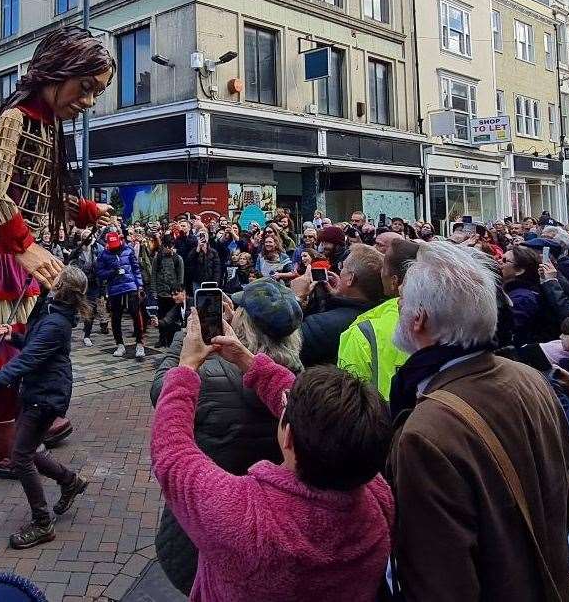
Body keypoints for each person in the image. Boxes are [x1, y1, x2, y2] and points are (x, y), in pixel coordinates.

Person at [0, 27, 114, 467]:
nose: (87, 102)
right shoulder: (17, 118)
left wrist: (83, 209)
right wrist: (25, 246)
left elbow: (33, 192)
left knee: (15, 341)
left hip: (5, 250)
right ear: (57, 72)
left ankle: (19, 421)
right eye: (85, 87)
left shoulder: (44, 125)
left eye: (95, 94)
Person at [151, 309, 393, 602]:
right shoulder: (377, 498)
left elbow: (172, 455)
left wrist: (187, 367)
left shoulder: (244, 517)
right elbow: (300, 405)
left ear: (288, 438)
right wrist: (245, 359)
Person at [385, 240, 569, 601]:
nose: (397, 307)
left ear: (419, 318)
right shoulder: (529, 378)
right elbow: (566, 501)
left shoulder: (426, 432)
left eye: (403, 301)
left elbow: (438, 579)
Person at [149, 279, 305, 595]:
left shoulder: (208, 377)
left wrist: (186, 343)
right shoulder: (304, 386)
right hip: (277, 536)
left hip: (209, 528)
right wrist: (246, 359)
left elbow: (163, 404)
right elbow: (281, 390)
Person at [0, 267, 90, 549]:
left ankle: (42, 523)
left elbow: (25, 362)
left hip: (46, 396)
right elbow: (32, 345)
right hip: (40, 391)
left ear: (61, 287)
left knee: (20, 456)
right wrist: (13, 337)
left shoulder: (55, 322)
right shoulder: (54, 311)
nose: (50, 280)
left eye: (56, 278)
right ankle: (70, 481)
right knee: (29, 449)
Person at [337, 237, 419, 400]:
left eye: (383, 268)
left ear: (394, 281)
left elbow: (349, 399)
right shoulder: (448, 318)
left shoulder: (364, 330)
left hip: (379, 420)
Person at [298, 243, 384, 367]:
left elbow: (283, 348)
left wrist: (297, 299)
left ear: (351, 279)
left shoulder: (321, 325)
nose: (339, 272)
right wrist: (338, 296)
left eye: (342, 267)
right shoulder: (387, 314)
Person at [95, 231, 145, 360]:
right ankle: (120, 344)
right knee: (116, 318)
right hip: (115, 290)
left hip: (131, 288)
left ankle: (140, 344)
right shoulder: (103, 255)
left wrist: (140, 286)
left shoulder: (128, 250)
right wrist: (112, 272)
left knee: (136, 315)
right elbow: (100, 273)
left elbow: (136, 269)